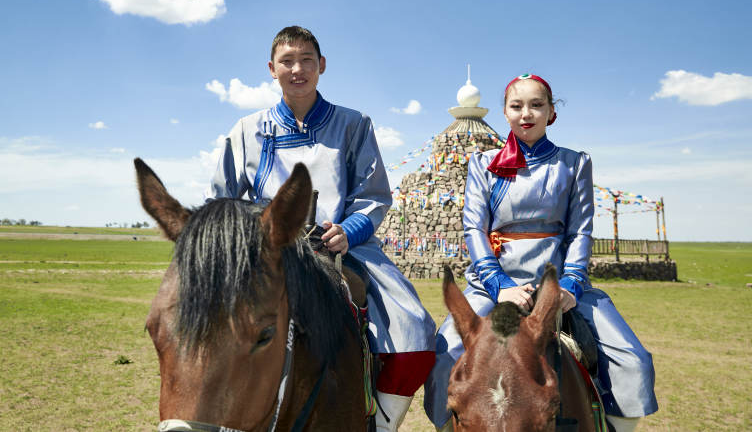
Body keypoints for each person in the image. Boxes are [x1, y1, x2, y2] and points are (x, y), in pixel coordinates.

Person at [208, 26, 437, 431]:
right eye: (287, 61)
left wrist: (348, 230)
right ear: (271, 69)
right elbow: (223, 200)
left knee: (415, 330)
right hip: (267, 251)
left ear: (322, 65)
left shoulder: (354, 124)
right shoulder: (246, 130)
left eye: (306, 60)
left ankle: (380, 424)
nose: (297, 69)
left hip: (342, 246)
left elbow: (374, 196)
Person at [423, 74, 658, 432]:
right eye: (516, 106)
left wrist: (570, 285)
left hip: (561, 284)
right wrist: (499, 284)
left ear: (551, 113)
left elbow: (580, 231)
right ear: (504, 112)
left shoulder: (574, 163)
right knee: (445, 358)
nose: (526, 114)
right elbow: (474, 229)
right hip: (494, 286)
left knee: (633, 360)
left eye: (537, 105)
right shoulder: (482, 164)